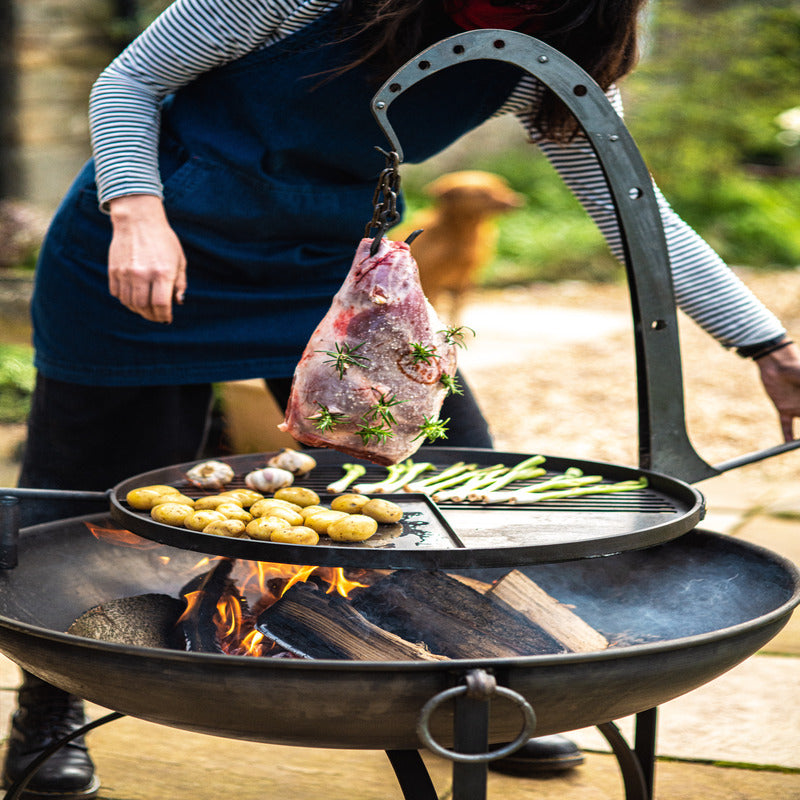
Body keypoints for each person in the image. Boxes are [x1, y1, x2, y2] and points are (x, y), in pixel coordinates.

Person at [5, 0, 800, 797]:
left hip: (333, 270)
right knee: (86, 494)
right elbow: (130, 78)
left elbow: (631, 210)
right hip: (144, 248)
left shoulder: (558, 38)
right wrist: (137, 211)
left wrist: (766, 342)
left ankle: (483, 689)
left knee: (459, 484)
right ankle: (49, 708)